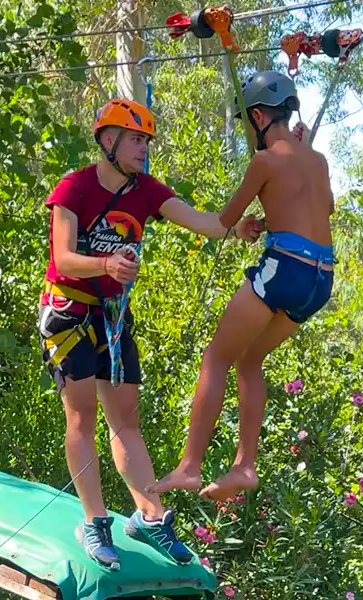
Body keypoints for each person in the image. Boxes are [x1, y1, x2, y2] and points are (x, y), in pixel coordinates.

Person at [39, 98, 263, 570]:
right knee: (81, 419)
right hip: (71, 313)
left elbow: (203, 221)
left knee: (126, 422)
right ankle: (94, 521)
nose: (144, 149)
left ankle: (150, 516)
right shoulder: (74, 187)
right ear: (108, 141)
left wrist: (235, 228)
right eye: (137, 140)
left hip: (115, 317)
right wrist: (105, 263)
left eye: (146, 141)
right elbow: (61, 258)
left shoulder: (146, 191)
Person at [147, 71, 336, 503]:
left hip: (284, 270)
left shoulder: (264, 162)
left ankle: (189, 467)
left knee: (216, 356)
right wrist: (267, 222)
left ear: (257, 117)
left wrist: (238, 227)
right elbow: (321, 211)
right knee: (250, 360)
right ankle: (244, 467)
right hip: (320, 280)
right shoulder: (317, 159)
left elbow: (223, 221)